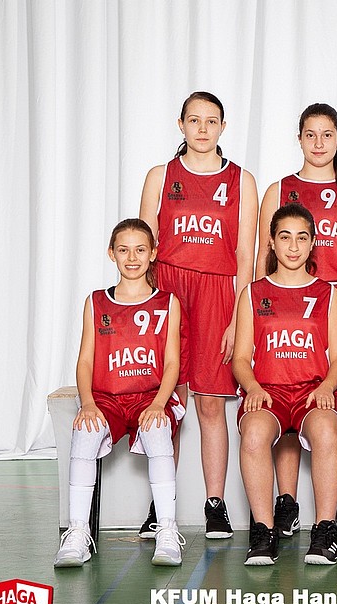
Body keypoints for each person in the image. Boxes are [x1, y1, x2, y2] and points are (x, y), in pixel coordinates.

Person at [138, 91, 259, 539]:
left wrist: (238, 317)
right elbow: (143, 246)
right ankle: (161, 503)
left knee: (210, 403)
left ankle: (215, 504)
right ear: (181, 124)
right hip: (168, 290)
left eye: (211, 121)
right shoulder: (160, 176)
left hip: (216, 294)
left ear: (223, 127)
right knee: (168, 399)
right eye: (194, 120)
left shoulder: (242, 180)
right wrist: (145, 307)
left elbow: (246, 254)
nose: (203, 129)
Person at [254, 104, 337, 540]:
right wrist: (255, 314)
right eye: (311, 134)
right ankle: (286, 501)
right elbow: (263, 258)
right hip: (287, 303)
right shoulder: (280, 190)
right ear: (299, 139)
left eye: (327, 135)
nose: (319, 143)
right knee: (286, 397)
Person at [55, 219, 185, 568]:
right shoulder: (96, 302)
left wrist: (159, 403)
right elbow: (85, 361)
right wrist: (87, 404)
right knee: (85, 432)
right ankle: (78, 532)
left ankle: (167, 529)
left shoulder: (167, 302)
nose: (132, 257)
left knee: (157, 429)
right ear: (111, 253)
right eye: (124, 250)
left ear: (153, 253)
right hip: (107, 397)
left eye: (140, 250)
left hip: (149, 396)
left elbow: (172, 362)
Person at [232, 204, 337, 566]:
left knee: (326, 430)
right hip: (269, 392)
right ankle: (264, 532)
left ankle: (325, 530)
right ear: (271, 241)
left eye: (301, 238)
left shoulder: (328, 294)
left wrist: (327, 386)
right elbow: (240, 358)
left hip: (312, 391)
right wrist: (252, 387)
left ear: (313, 243)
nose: (293, 246)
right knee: (253, 434)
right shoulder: (252, 293)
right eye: (285, 237)